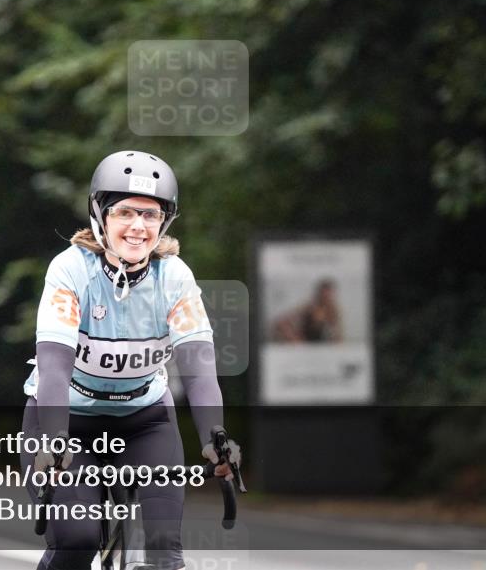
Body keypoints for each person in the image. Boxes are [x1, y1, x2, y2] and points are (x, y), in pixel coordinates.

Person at [21, 150, 241, 570]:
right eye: (125, 212)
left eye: (151, 215)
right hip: (69, 421)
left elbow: (198, 368)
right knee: (77, 541)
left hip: (144, 421)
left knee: (164, 553)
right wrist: (53, 438)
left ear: (164, 223)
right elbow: (53, 366)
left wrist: (216, 436)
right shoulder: (70, 270)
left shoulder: (174, 276)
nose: (138, 226)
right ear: (100, 215)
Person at [271, 279, 344, 343]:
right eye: (323, 293)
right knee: (281, 325)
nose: (325, 296)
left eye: (328, 294)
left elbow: (337, 332)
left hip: (320, 342)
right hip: (304, 340)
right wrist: (293, 335)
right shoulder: (309, 306)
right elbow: (286, 319)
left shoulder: (333, 309)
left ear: (331, 294)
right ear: (319, 293)